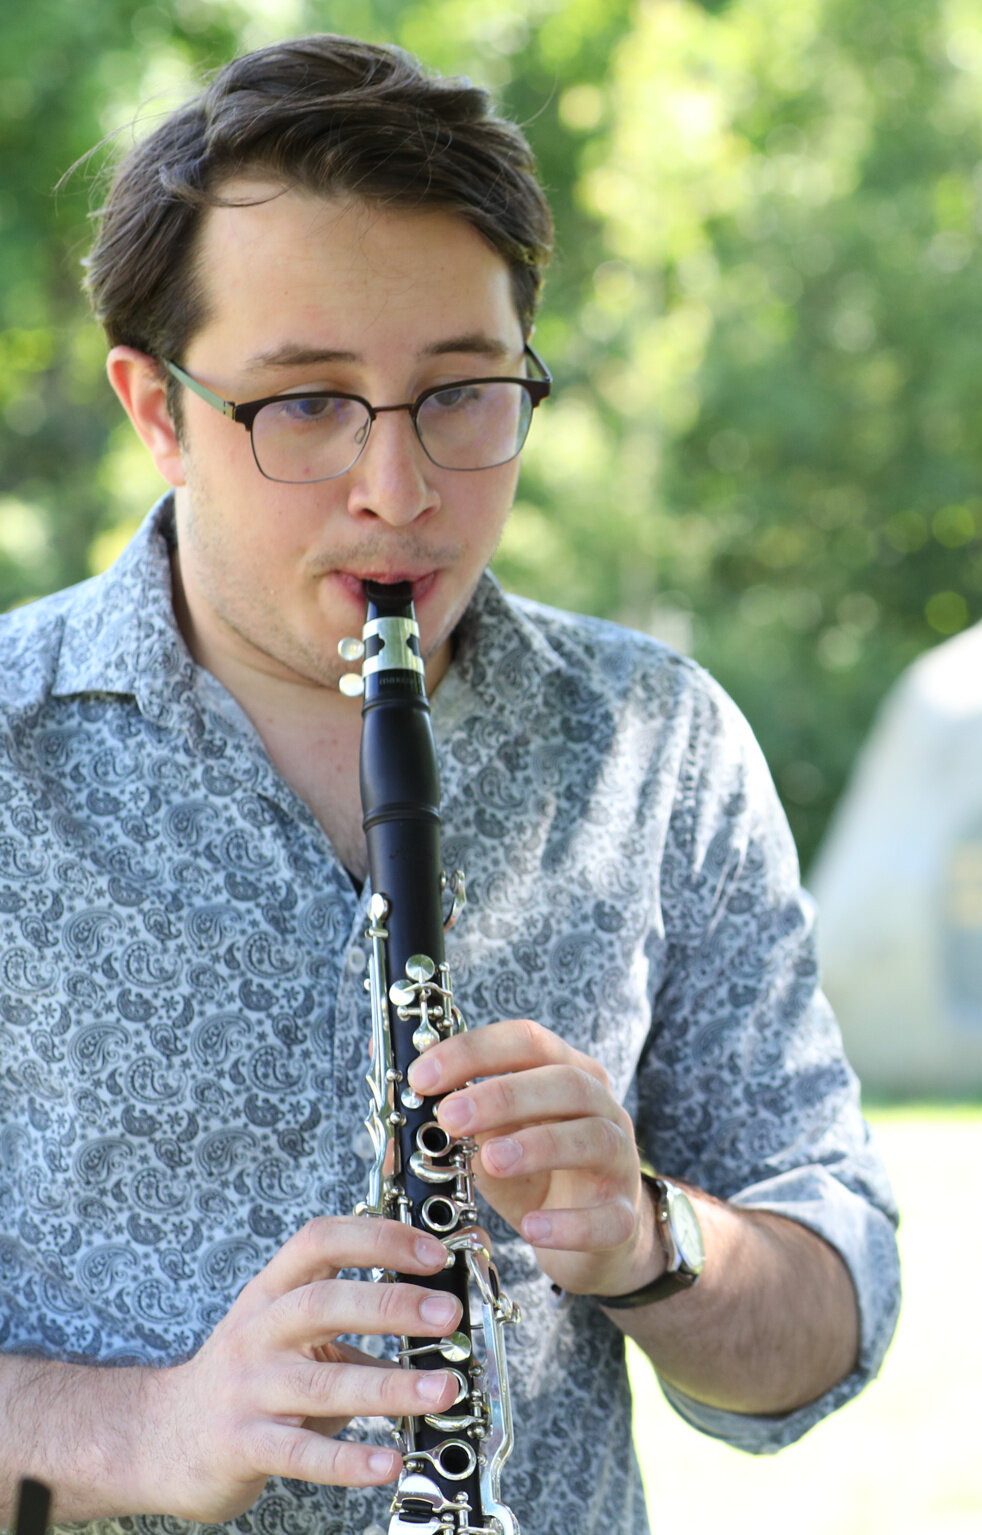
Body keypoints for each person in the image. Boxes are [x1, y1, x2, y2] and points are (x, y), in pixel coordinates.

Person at [0, 35, 898, 1534]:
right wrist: (147, 1428)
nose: (398, 492)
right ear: (156, 411)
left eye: (464, 394)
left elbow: (828, 1311)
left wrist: (648, 1237)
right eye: (304, 403)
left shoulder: (651, 746)